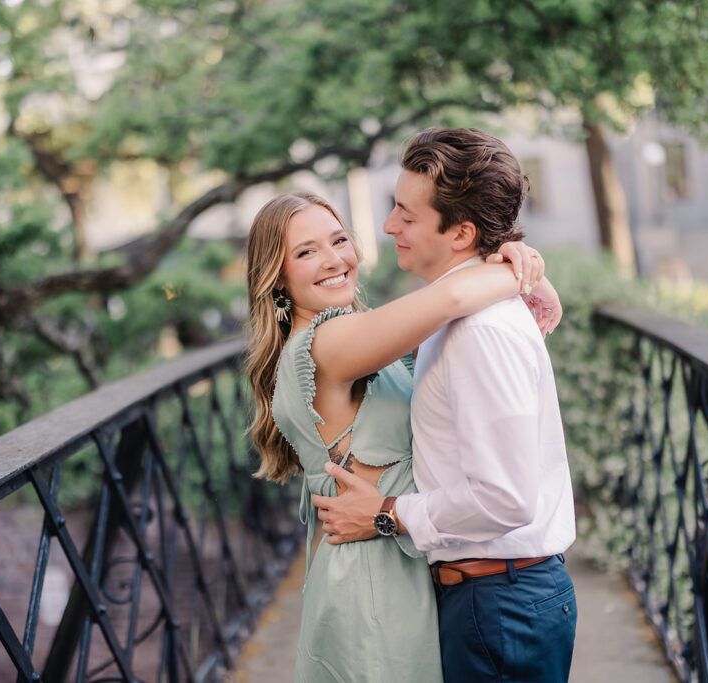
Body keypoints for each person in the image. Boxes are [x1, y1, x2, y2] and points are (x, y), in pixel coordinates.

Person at [245, 190, 561, 682]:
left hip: (402, 562)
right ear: (277, 277)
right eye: (306, 252)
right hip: (374, 580)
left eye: (339, 240)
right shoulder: (326, 344)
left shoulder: (363, 338)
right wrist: (521, 267)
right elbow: (454, 296)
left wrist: (524, 263)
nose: (334, 260)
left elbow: (482, 315)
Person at [312, 127, 577, 683]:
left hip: (497, 604)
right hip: (492, 598)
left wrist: (386, 514)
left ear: (461, 233)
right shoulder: (458, 315)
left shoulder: (478, 331)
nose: (389, 227)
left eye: (407, 216)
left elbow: (506, 498)